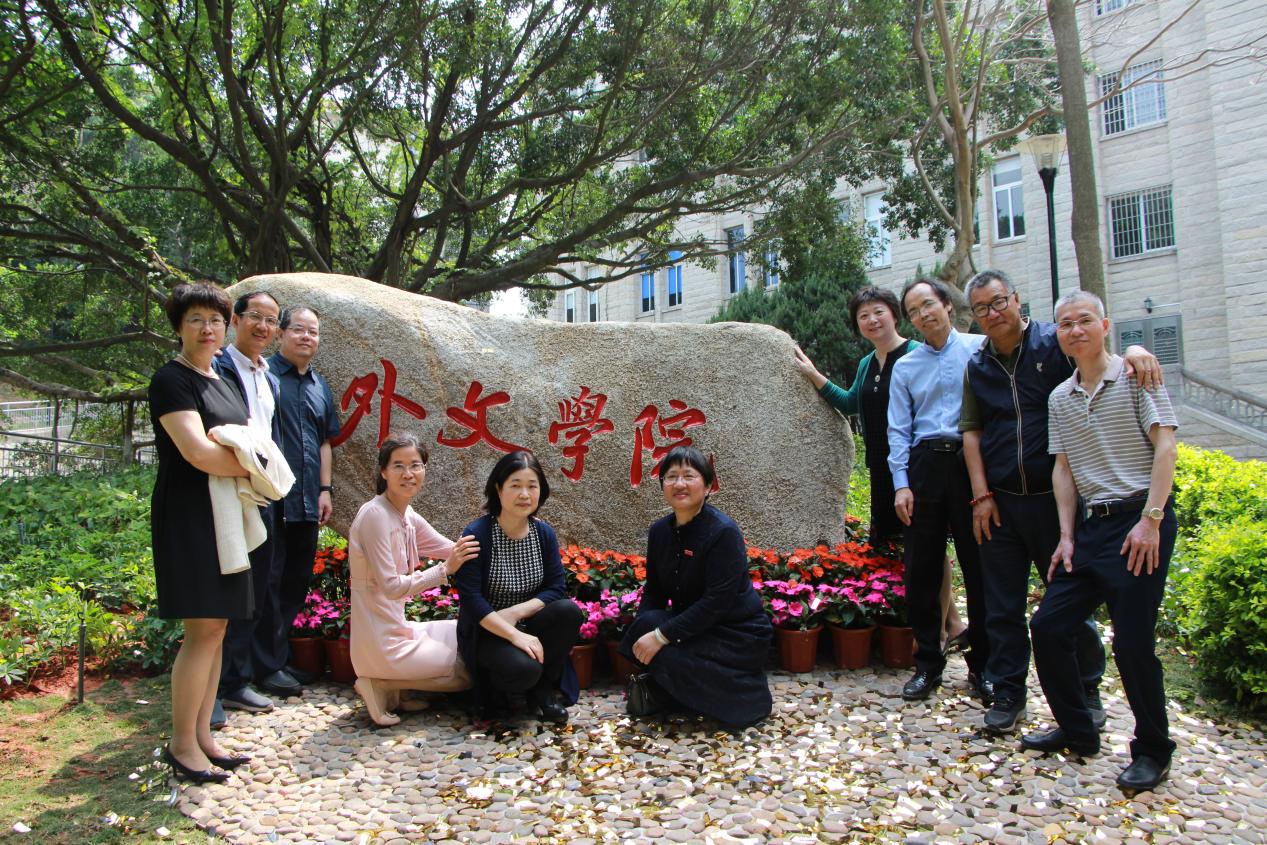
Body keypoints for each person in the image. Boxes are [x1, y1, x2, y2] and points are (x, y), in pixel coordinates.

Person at [961, 270, 1162, 734]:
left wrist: (1135, 349)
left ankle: (1086, 691)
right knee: (1001, 605)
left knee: (1070, 601)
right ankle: (1008, 691)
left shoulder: (1054, 343)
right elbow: (972, 432)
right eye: (982, 308)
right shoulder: (978, 364)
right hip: (1001, 502)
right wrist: (981, 495)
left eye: (998, 302)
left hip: (1056, 501)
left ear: (1016, 299)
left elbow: (1099, 354)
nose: (993, 314)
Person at [1025, 291, 1179, 794]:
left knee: (1133, 644)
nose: (1075, 330)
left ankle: (1153, 750)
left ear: (1105, 325)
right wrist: (1067, 536)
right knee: (1048, 625)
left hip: (1140, 520)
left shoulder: (1137, 376)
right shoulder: (1059, 398)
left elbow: (1166, 447)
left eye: (1084, 320)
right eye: (1065, 324)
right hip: (1093, 528)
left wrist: (1152, 520)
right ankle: (1078, 729)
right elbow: (1063, 469)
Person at [794, 286, 967, 653]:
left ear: (894, 315)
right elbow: (851, 402)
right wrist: (812, 374)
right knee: (908, 545)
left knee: (929, 546)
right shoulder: (867, 363)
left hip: (916, 465)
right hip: (882, 467)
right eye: (863, 316)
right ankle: (951, 623)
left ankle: (941, 628)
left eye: (879, 312)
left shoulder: (917, 353)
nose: (872, 320)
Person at [149, 282, 254, 783]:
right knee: (201, 629)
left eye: (215, 319)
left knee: (217, 628)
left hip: (226, 514)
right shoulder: (171, 380)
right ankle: (182, 744)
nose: (207, 328)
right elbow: (197, 452)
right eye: (195, 319)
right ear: (179, 327)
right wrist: (255, 469)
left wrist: (251, 463)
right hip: (191, 514)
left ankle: (204, 737)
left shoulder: (223, 377)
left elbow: (245, 441)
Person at [887, 277, 990, 702]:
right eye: (913, 311)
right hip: (925, 466)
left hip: (972, 465)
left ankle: (984, 666)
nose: (922, 314)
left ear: (947, 305)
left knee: (980, 567)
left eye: (927, 304)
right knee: (922, 571)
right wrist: (901, 484)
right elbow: (898, 429)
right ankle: (928, 663)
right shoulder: (906, 366)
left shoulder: (980, 349)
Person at [620, 446, 773, 730]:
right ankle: (685, 689)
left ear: (708, 486)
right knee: (645, 632)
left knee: (663, 653)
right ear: (662, 485)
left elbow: (717, 602)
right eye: (671, 476)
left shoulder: (722, 532)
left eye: (689, 476)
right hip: (694, 628)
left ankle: (747, 697)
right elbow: (655, 591)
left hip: (736, 634)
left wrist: (660, 636)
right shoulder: (659, 531)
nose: (679, 484)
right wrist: (644, 632)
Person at [348, 434, 479, 726]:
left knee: (468, 634)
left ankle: (400, 687)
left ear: (424, 469)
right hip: (380, 642)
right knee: (465, 670)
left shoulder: (405, 514)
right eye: (398, 466)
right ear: (384, 471)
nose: (408, 474)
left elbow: (451, 548)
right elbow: (391, 587)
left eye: (415, 465)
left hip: (399, 628)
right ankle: (380, 682)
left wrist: (503, 539)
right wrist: (444, 570)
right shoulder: (375, 516)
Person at [452, 451, 584, 723]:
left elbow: (556, 587)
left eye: (532, 486)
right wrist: (513, 634)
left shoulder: (543, 533)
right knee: (524, 670)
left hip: (525, 622)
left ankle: (543, 692)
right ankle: (494, 691)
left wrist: (516, 614)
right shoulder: (477, 535)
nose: (525, 494)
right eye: (515, 485)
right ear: (498, 489)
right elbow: (471, 600)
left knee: (567, 612)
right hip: (488, 629)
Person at [212, 290, 290, 721]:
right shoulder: (217, 368)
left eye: (271, 320)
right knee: (228, 586)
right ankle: (215, 687)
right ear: (236, 320)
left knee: (258, 584)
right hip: (228, 486)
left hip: (263, 489)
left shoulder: (269, 376)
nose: (263, 326)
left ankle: (236, 680)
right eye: (255, 316)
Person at [267, 306, 342, 686]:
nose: (306, 337)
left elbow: (325, 441)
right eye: (298, 329)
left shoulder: (319, 385)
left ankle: (276, 660)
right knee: (268, 581)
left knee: (294, 582)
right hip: (269, 499)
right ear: (280, 333)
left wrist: (325, 489)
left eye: (313, 332)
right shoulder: (263, 377)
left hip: (308, 500)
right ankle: (260, 666)